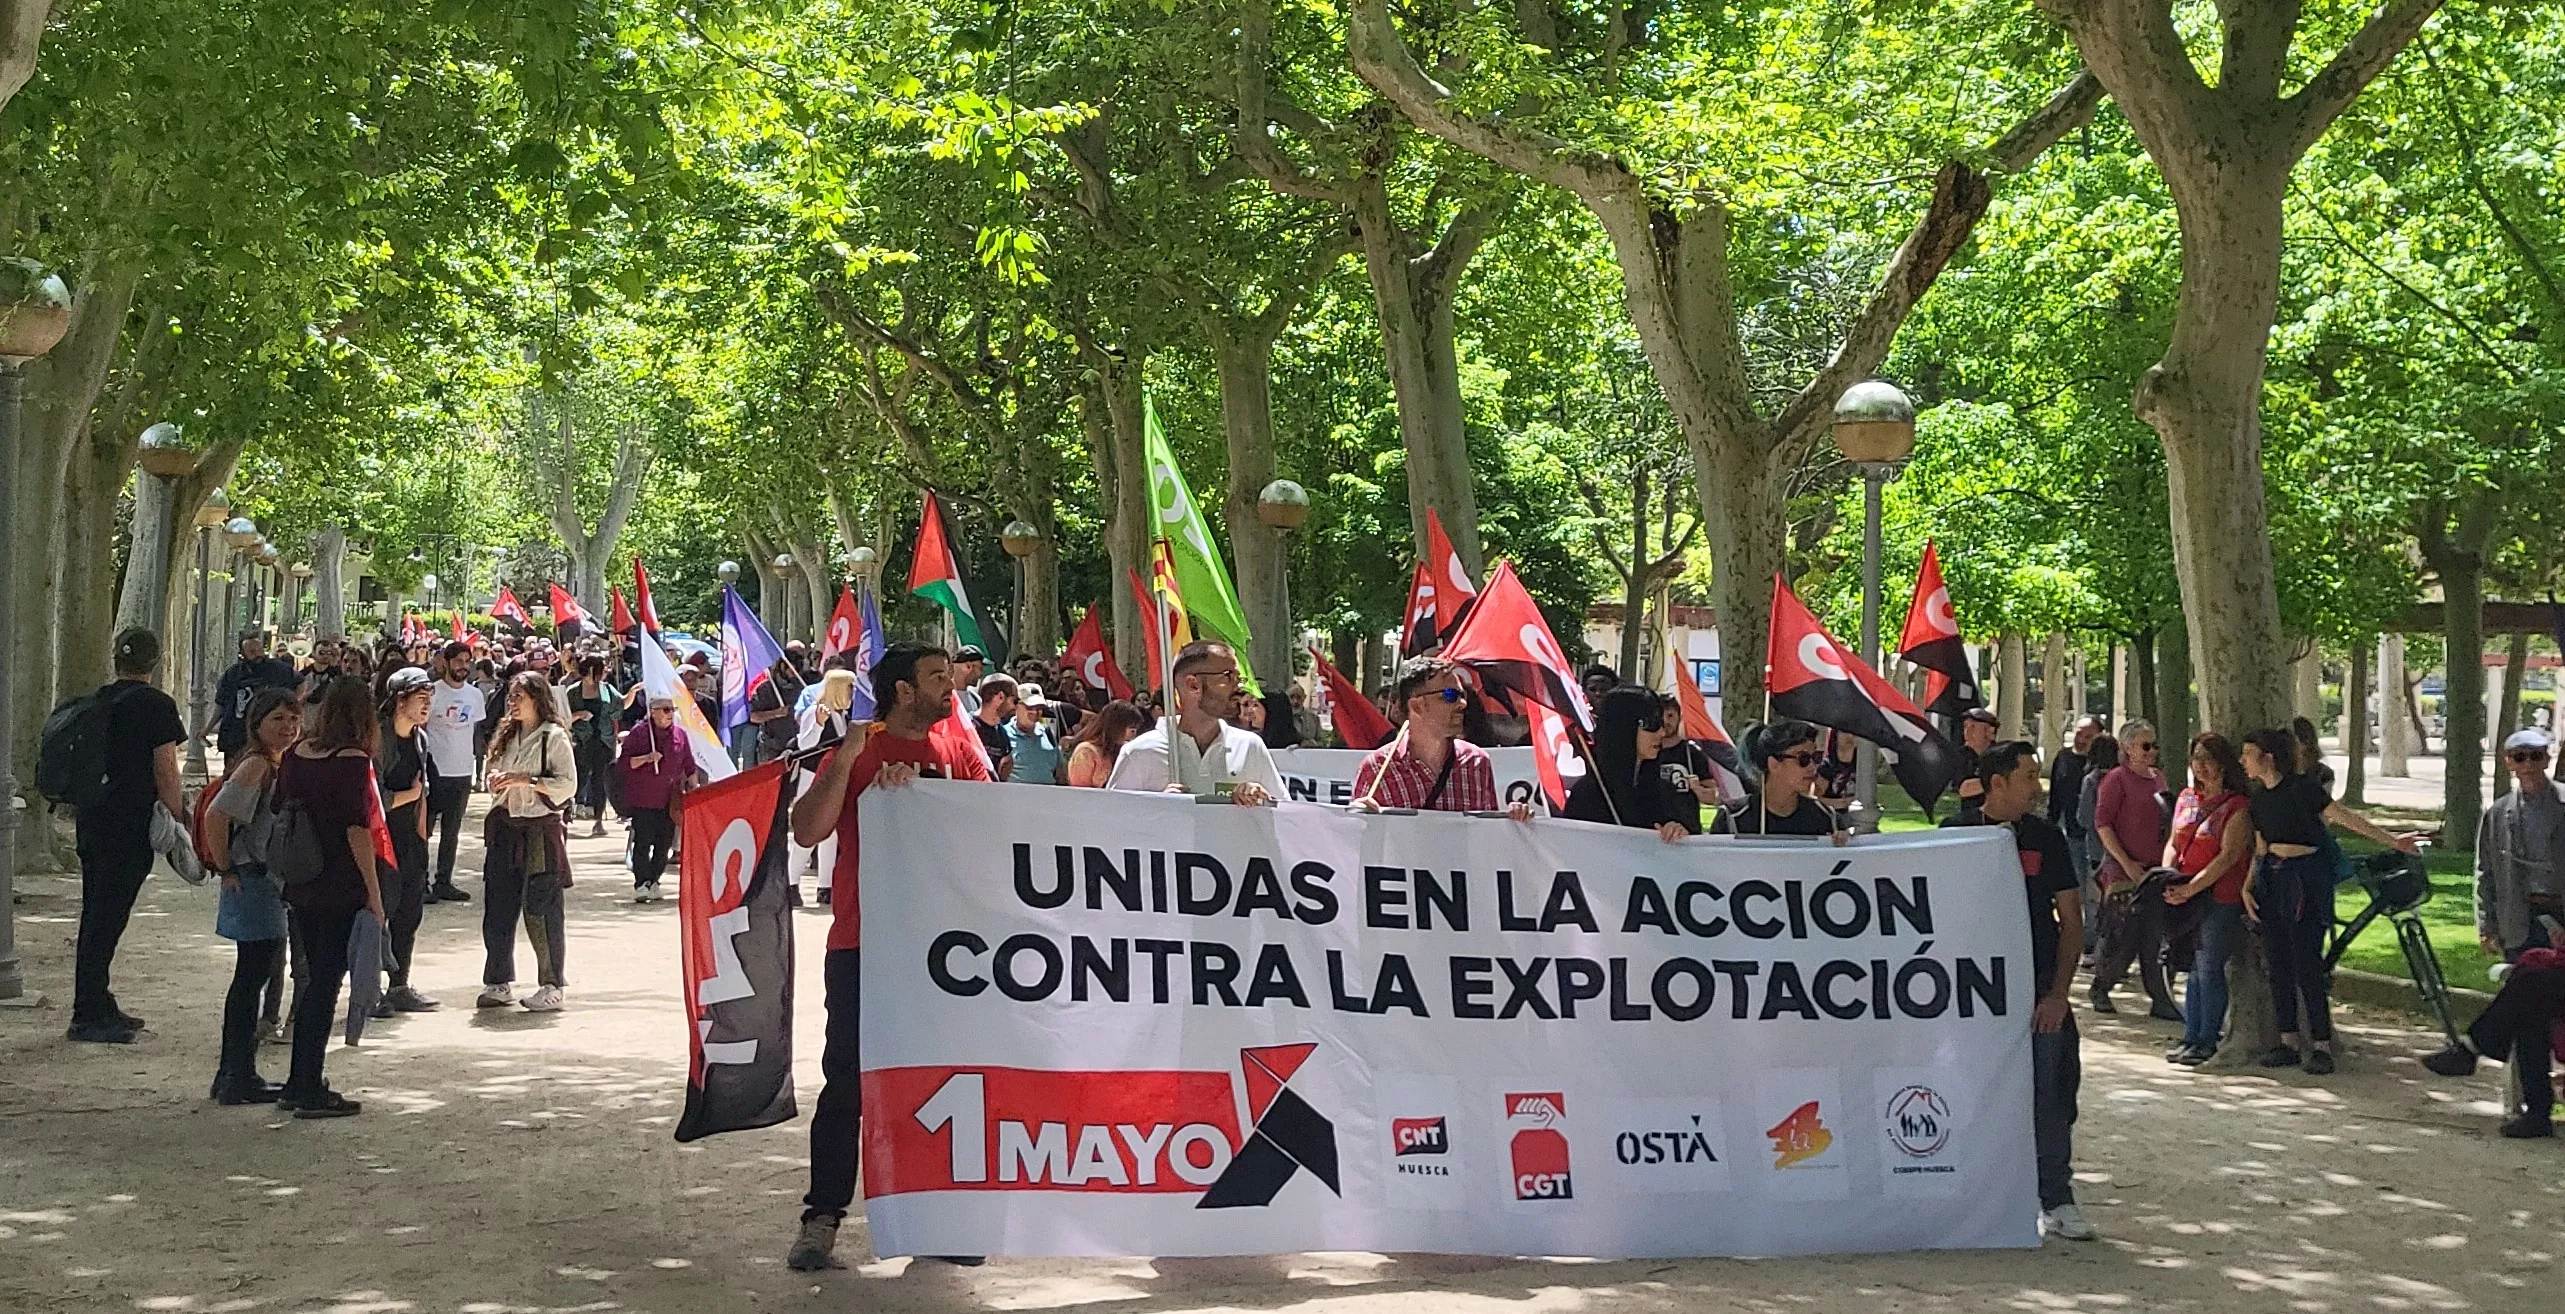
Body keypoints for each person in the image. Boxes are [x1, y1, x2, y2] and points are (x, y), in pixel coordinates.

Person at [784, 644, 993, 1273]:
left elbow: (996, 825)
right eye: (937, 678)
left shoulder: (958, 752)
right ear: (903, 690)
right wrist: (850, 761)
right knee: (847, 1084)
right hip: (863, 944)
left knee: (939, 1082)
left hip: (944, 955)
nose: (951, 686)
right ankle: (822, 1218)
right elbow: (806, 829)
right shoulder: (858, 748)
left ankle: (935, 1220)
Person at [1945, 741, 2090, 1240]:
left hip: (2038, 996)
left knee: (2052, 1096)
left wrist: (2058, 994)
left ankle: (2056, 1198)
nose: (2037, 787)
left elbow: (2072, 922)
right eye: (2028, 776)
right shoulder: (1954, 835)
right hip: (1971, 1001)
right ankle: (1968, 1199)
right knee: (1969, 1095)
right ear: (1997, 782)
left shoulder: (2046, 838)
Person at [2241, 726, 2420, 1075]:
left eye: (2248, 754)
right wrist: (2248, 886)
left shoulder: (2302, 788)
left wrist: (2392, 840)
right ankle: (2288, 1041)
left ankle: (2321, 1044)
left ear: (2268, 757)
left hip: (2306, 879)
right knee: (2277, 963)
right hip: (2273, 880)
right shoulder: (2259, 799)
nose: (2243, 761)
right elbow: (2261, 847)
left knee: (2307, 963)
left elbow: (2343, 816)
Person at [65, 628, 190, 1044]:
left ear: (116, 660)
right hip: (129, 824)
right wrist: (179, 816)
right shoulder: (157, 705)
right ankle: (87, 1012)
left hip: (93, 818)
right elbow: (165, 768)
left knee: (96, 913)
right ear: (156, 661)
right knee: (108, 918)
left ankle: (97, 1001)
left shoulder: (100, 700)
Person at [270, 678, 388, 1118]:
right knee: (326, 983)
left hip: (302, 878)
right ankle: (307, 1084)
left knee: (311, 980)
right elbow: (357, 830)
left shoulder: (297, 754)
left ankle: (298, 1079)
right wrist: (374, 893)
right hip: (339, 881)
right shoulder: (353, 760)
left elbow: (279, 805)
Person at [202, 688, 299, 1101]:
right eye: (278, 719)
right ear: (257, 723)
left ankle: (234, 1073)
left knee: (253, 977)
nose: (288, 727)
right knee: (251, 978)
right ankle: (237, 1076)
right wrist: (227, 869)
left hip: (262, 881)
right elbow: (216, 816)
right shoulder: (257, 765)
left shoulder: (272, 763)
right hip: (253, 880)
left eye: (293, 719)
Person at [477, 671, 579, 1011]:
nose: (513, 702)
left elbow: (568, 785)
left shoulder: (553, 737)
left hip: (539, 830)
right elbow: (493, 771)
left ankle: (552, 984)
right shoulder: (507, 735)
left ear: (538, 699)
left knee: (541, 908)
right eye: (511, 696)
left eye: (520, 696)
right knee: (498, 906)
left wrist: (527, 780)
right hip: (505, 826)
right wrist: (495, 780)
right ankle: (498, 980)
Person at [2159, 732, 2254, 1065]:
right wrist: (2168, 876)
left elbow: (2228, 856)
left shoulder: (2237, 806)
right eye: (2196, 758)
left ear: (2223, 764)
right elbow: (2174, 842)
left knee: (2209, 967)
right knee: (2192, 968)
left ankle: (2207, 1039)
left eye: (2208, 759)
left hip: (2219, 896)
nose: (2201, 766)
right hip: (2184, 893)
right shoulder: (2186, 798)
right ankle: (2191, 1035)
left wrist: (2193, 888)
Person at [1351, 656, 1533, 819]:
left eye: (1462, 695)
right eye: (1450, 695)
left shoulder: (1477, 762)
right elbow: (1360, 842)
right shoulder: (1376, 768)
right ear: (1417, 706)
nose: (1463, 703)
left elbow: (1486, 836)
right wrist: (1360, 820)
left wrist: (1514, 820)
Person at [1105, 643, 1283, 805]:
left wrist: (1262, 800)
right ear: (1193, 685)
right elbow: (1111, 823)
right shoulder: (1139, 753)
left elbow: (1285, 818)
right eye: (1228, 677)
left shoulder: (1250, 747)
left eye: (1239, 678)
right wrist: (1158, 808)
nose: (1239, 687)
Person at [2089, 720, 2176, 1020]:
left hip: (2155, 869)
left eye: (2154, 745)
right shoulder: (2116, 779)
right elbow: (2103, 824)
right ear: (2127, 748)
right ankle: (2102, 985)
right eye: (2145, 746)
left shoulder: (2159, 779)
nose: (2152, 751)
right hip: (2122, 869)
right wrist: (2126, 863)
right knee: (2121, 934)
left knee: (2154, 935)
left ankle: (2160, 997)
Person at [374, 667, 439, 1015]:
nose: (427, 705)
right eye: (421, 698)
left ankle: (399, 986)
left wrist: (422, 839)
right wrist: (410, 795)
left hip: (409, 841)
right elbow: (371, 799)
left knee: (409, 913)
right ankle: (369, 991)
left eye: (430, 698)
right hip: (379, 842)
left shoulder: (420, 739)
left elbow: (423, 794)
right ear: (400, 701)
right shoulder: (376, 740)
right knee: (377, 914)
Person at [1561, 686, 1695, 843]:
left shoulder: (1663, 791)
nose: (1662, 733)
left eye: (1661, 724)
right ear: (1623, 726)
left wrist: (1678, 831)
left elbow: (1691, 843)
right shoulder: (1588, 794)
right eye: (1651, 724)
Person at [2472, 728, 2562, 961]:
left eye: (2536, 756)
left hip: (2560, 911)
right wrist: (2487, 926)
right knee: (2523, 982)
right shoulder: (2497, 813)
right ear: (2509, 762)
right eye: (2520, 757)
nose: (2528, 764)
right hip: (2518, 922)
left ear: (2547, 759)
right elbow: (2486, 874)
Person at [618, 696, 697, 904]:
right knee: (643, 842)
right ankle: (641, 883)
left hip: (669, 800)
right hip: (643, 798)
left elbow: (689, 764)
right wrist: (646, 758)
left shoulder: (680, 735)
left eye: (672, 709)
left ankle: (654, 880)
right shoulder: (639, 733)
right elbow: (624, 764)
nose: (670, 714)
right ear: (652, 712)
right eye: (665, 709)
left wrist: (694, 787)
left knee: (664, 844)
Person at [422, 643, 485, 903]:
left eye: (467, 661)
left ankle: (444, 881)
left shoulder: (475, 695)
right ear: (445, 662)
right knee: (424, 831)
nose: (463, 666)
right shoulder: (432, 693)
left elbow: (477, 731)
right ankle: (420, 883)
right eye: (458, 661)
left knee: (452, 832)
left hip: (462, 772)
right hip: (434, 771)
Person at [1720, 719, 1848, 840]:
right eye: (1803, 759)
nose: (1812, 766)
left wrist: (1843, 843)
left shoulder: (1826, 818)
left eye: (1816, 757)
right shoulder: (1732, 820)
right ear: (1773, 764)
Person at [793, 670, 858, 903]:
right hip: (813, 776)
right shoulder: (815, 711)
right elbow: (805, 744)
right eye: (850, 688)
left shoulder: (844, 715)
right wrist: (819, 723)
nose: (853, 693)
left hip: (834, 776)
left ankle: (825, 885)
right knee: (808, 832)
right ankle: (791, 881)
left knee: (831, 833)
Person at [2073, 734, 2119, 964]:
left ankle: (2091, 949)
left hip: (2096, 849)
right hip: (2121, 850)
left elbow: (2083, 817)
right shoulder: (2121, 779)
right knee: (2117, 902)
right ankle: (2114, 951)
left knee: (2094, 902)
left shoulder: (2091, 780)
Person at [562, 656, 620, 838]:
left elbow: (619, 708)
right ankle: (565, 814)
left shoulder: (606, 690)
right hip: (581, 741)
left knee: (600, 781)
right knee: (576, 778)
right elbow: (563, 718)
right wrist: (579, 715)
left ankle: (598, 820)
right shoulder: (573, 692)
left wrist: (633, 692)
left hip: (603, 741)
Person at [2050, 716, 2101, 875]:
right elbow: (2055, 795)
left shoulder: (2102, 763)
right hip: (2071, 831)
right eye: (2079, 734)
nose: (2081, 740)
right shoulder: (2063, 757)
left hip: (2098, 836)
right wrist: (2052, 825)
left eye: (2088, 736)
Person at [1064, 699, 1146, 788]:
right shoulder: (1086, 752)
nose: (1134, 735)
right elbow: (1079, 791)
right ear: (1116, 727)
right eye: (1132, 730)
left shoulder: (1124, 751)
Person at [747, 656, 802, 768]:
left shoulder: (800, 687)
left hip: (795, 746)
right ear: (782, 667)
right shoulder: (765, 689)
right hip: (771, 747)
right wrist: (776, 713)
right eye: (791, 670)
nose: (793, 674)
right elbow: (753, 716)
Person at [1005, 685, 1066, 785]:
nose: (1035, 712)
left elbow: (1060, 774)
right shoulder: (1004, 735)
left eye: (1039, 708)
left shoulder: (1048, 733)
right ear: (1015, 705)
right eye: (1030, 707)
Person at [1951, 707, 2000, 822]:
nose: (1967, 732)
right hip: (1970, 819)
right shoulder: (1961, 755)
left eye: (1973, 727)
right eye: (1965, 727)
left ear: (1990, 732)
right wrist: (1999, 781)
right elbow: (1964, 789)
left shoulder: (2001, 755)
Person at [972, 673, 1018, 780]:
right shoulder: (969, 727)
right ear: (1000, 697)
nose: (1015, 707)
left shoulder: (1002, 732)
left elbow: (1003, 773)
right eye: (1014, 701)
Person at [952, 645, 988, 717]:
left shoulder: (976, 699)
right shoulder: (943, 699)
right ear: (968, 667)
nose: (982, 674)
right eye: (980, 668)